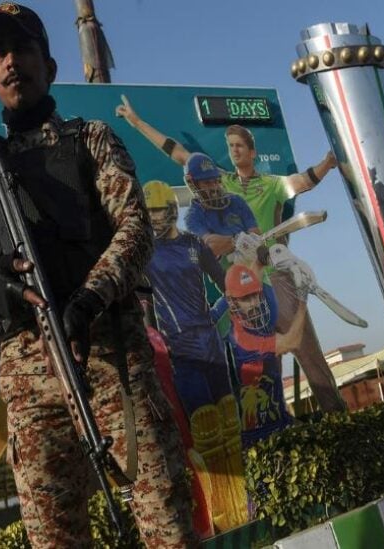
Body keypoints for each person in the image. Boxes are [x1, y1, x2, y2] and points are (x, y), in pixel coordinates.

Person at [0, 4, 193, 547]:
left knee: (165, 522)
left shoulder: (89, 141)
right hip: (28, 389)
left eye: (22, 49)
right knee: (55, 539)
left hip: (109, 359)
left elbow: (136, 229)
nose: (10, 62)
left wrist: (89, 298)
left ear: (49, 66)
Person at [115, 98, 346, 413]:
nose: (234, 150)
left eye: (240, 145)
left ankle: (338, 416)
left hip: (277, 279)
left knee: (308, 352)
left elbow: (303, 181)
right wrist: (137, 122)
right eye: (230, 145)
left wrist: (328, 163)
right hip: (242, 289)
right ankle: (274, 437)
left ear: (252, 152)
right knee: (261, 371)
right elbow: (178, 152)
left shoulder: (271, 185)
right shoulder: (220, 182)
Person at [143, 180, 248, 531]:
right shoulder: (144, 254)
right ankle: (217, 517)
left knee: (230, 425)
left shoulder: (193, 245)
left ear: (172, 210)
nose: (155, 218)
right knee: (203, 430)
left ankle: (244, 507)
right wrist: (156, 344)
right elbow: (144, 309)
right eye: (150, 213)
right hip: (180, 352)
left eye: (159, 211)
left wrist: (245, 274)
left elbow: (224, 283)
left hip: (212, 346)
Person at [213, 264, 305, 448]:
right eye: (247, 298)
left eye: (255, 295)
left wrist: (258, 260)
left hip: (279, 421)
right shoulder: (242, 339)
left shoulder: (258, 321)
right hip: (257, 436)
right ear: (232, 303)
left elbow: (262, 282)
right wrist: (303, 298)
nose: (255, 302)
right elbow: (291, 342)